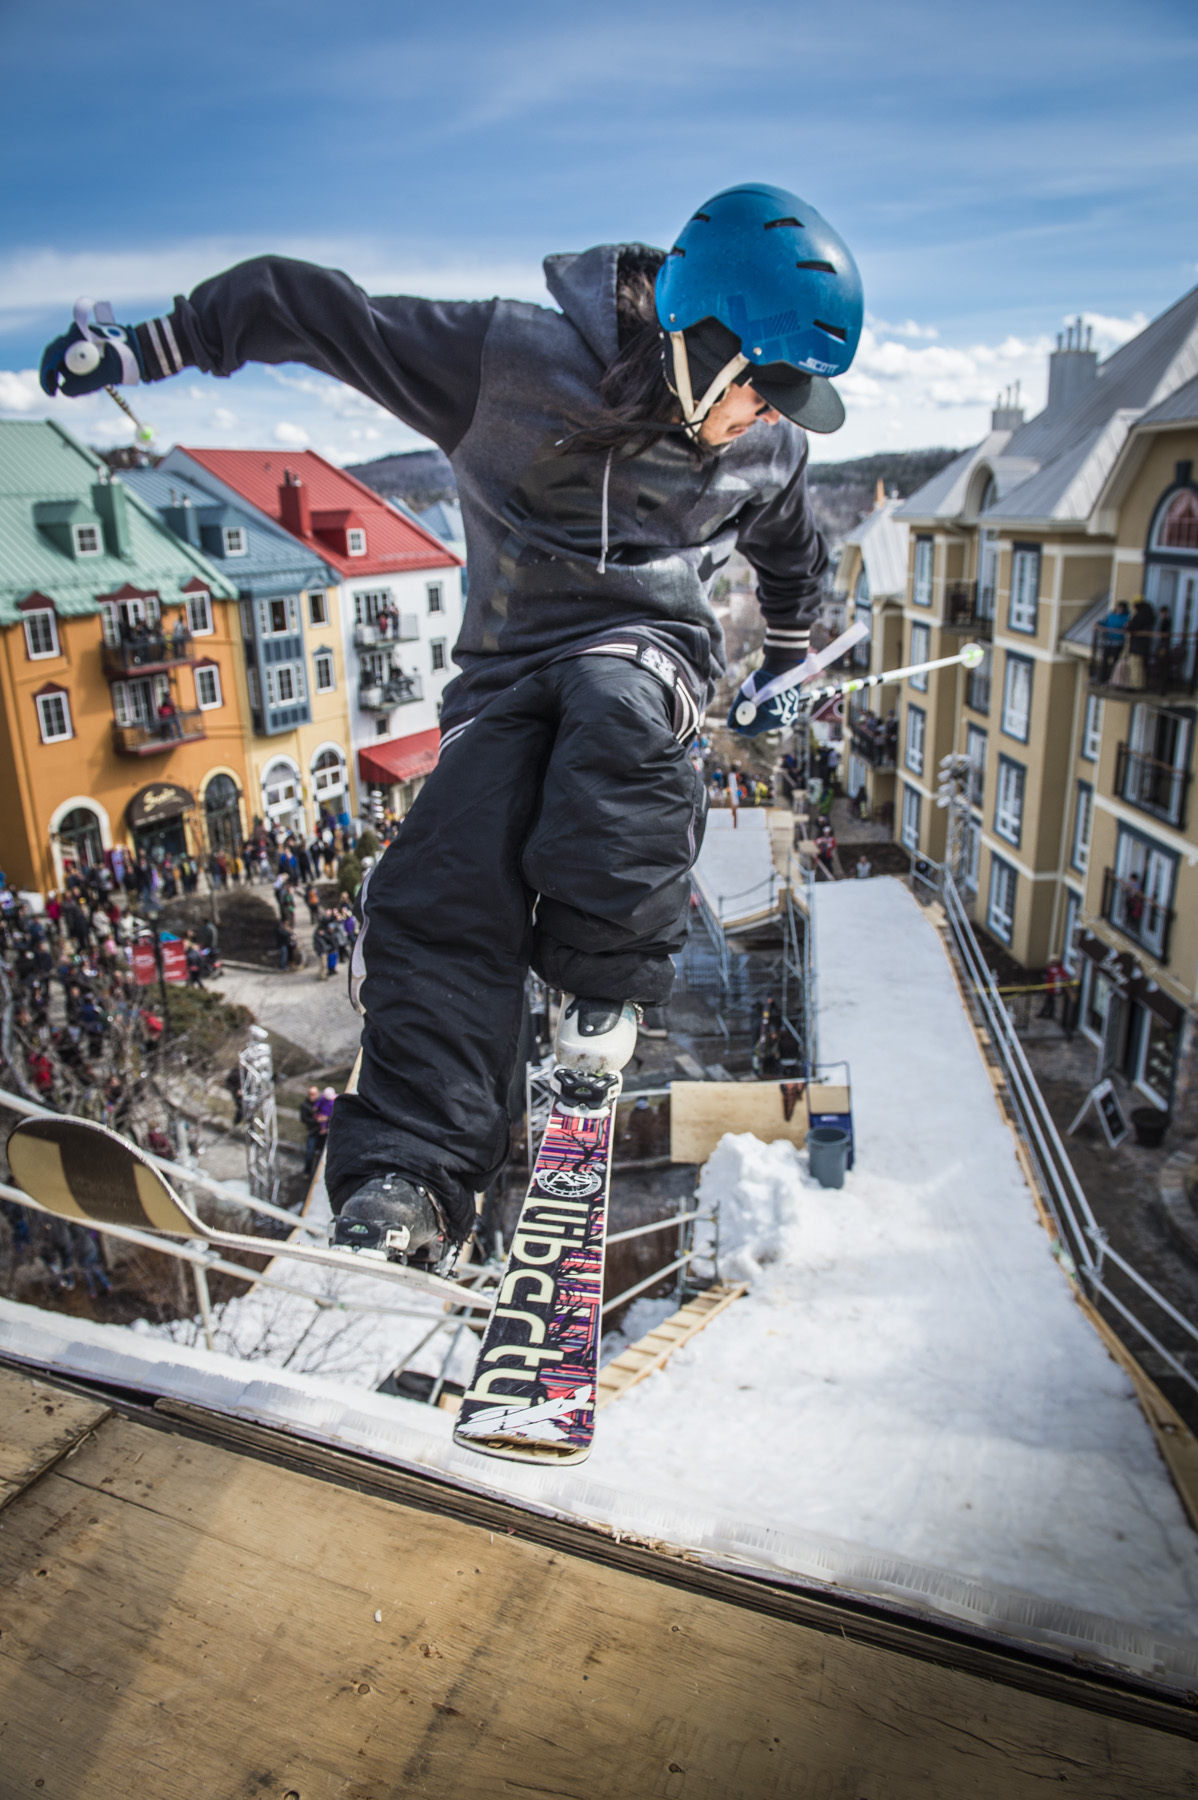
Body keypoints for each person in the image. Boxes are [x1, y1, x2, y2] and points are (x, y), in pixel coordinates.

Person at [40, 179, 863, 1266]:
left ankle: (599, 1000)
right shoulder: (510, 359)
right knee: (443, 866)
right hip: (508, 668)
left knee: (615, 709)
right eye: (759, 390)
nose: (760, 419)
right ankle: (409, 1170)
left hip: (650, 651)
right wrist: (151, 346)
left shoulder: (766, 452)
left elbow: (791, 560)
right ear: (702, 339)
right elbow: (317, 310)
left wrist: (795, 657)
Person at [300, 1084, 322, 1176]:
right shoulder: (305, 1105)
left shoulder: (322, 1103)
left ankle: (318, 1173)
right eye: (310, 1094)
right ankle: (307, 1171)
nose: (311, 1096)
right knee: (310, 1153)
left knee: (321, 1154)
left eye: (313, 1094)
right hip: (312, 1132)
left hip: (323, 1133)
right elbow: (304, 1119)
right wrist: (316, 1120)